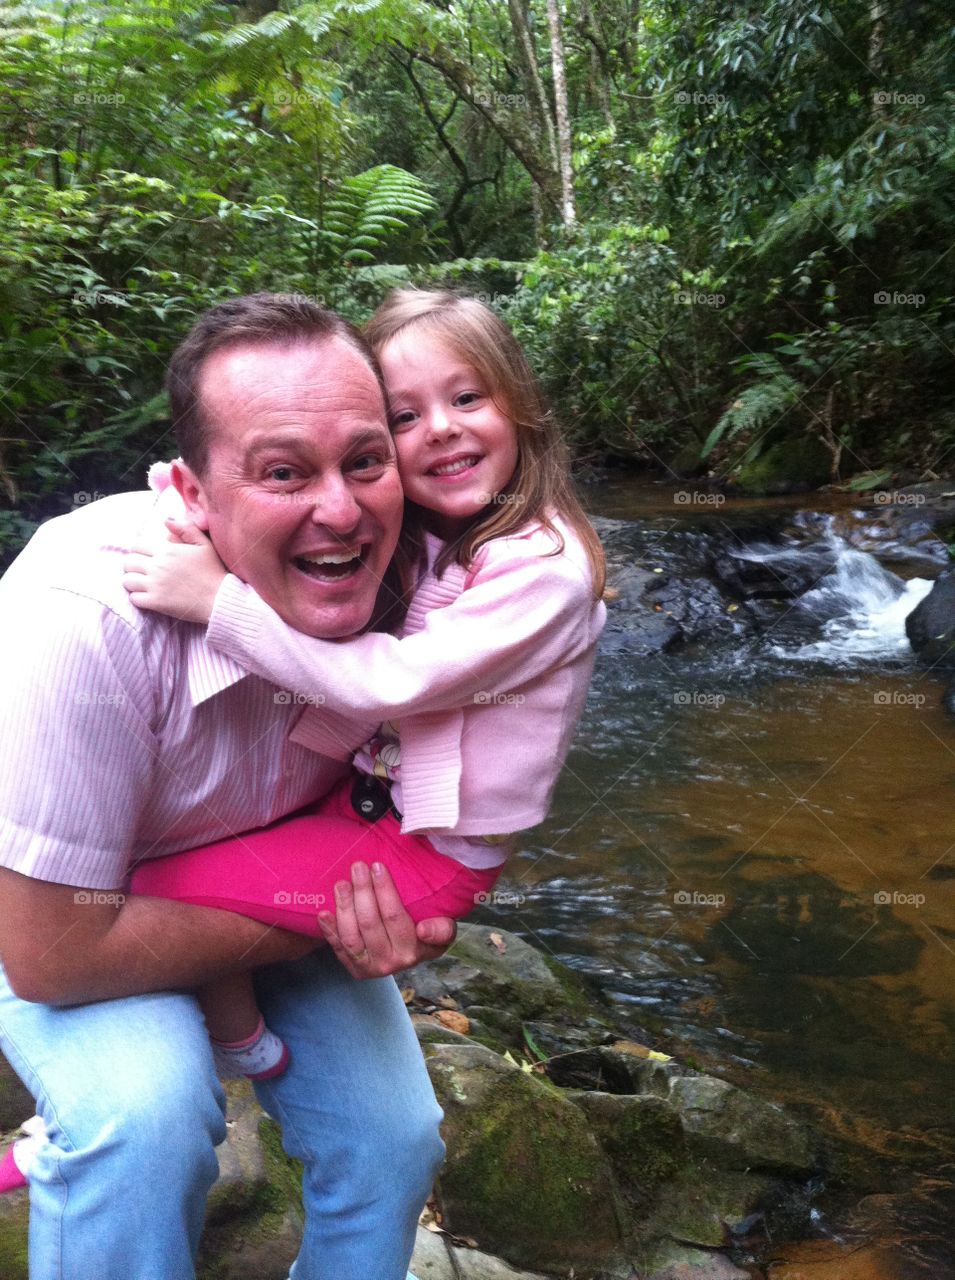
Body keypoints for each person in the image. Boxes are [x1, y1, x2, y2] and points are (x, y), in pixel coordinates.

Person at [0, 294, 456, 1280]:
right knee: (143, 1120)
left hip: (262, 877)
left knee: (395, 1138)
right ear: (190, 495)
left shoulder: (423, 582)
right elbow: (48, 954)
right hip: (57, 891)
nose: (341, 509)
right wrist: (332, 910)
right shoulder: (81, 617)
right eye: (284, 471)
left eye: (364, 460)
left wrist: (409, 888)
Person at [115, 288, 608, 1082]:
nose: (440, 427)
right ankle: (234, 1037)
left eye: (467, 397)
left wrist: (219, 604)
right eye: (404, 418)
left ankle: (237, 1048)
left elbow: (396, 683)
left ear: (519, 406)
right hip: (370, 809)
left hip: (427, 852)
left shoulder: (545, 570)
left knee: (154, 885)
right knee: (181, 850)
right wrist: (192, 506)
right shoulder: (435, 537)